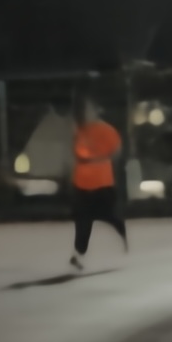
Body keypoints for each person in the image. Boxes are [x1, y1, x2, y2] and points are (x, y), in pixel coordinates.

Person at [68, 98, 126, 269]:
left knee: (108, 215)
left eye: (88, 110)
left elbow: (116, 152)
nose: (85, 114)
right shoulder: (80, 131)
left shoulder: (107, 130)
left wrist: (97, 160)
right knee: (82, 220)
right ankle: (79, 254)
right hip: (82, 183)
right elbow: (77, 152)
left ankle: (120, 229)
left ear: (96, 111)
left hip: (102, 183)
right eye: (83, 111)